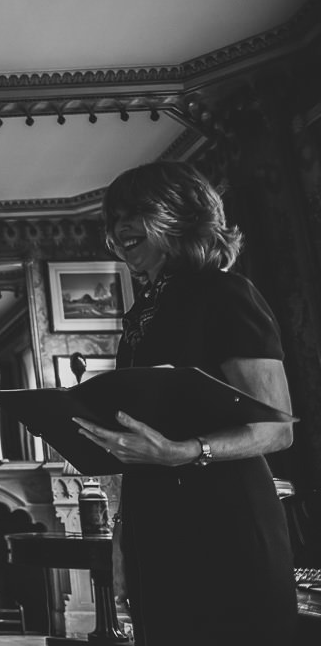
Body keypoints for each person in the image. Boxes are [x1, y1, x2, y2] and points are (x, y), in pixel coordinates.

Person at [75, 161, 297, 646]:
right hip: (154, 526)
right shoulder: (141, 315)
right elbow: (140, 441)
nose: (119, 228)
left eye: (135, 213)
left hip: (228, 522)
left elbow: (278, 428)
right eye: (114, 219)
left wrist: (184, 452)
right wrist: (121, 536)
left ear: (180, 216)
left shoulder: (226, 293)